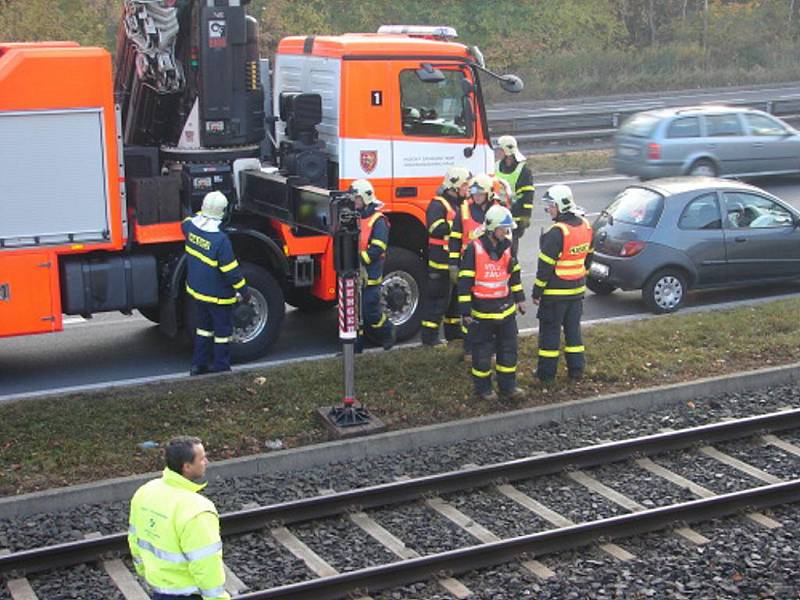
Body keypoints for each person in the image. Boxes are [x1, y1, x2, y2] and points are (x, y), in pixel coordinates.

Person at [128, 436, 229, 600]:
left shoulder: (145, 492)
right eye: (202, 458)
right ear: (187, 467)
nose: (207, 462)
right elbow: (205, 563)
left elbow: (135, 540)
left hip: (159, 590)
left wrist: (144, 571)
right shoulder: (197, 509)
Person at [458, 205, 526, 402]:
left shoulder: (508, 247)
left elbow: (514, 276)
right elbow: (464, 284)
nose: (506, 233)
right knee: (482, 353)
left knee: (508, 351)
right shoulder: (474, 249)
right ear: (492, 228)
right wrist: (465, 312)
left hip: (506, 311)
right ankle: (483, 390)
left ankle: (508, 386)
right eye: (503, 229)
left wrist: (520, 299)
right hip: (482, 313)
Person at [183, 191, 250, 376]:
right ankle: (222, 367)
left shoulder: (190, 228)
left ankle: (198, 365)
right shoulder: (221, 240)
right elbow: (231, 272)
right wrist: (244, 292)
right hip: (219, 297)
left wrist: (201, 214)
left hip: (198, 292)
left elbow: (188, 219)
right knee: (222, 333)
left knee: (203, 329)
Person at [532, 184, 594, 382]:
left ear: (560, 205)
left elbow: (545, 268)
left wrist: (536, 292)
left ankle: (546, 375)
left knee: (549, 335)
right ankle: (576, 370)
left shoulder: (556, 232)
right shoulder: (586, 226)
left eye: (551, 205)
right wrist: (580, 276)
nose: (548, 209)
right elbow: (588, 259)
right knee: (573, 333)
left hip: (554, 295)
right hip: (576, 292)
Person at [420, 165, 471, 346]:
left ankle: (454, 334)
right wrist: (457, 226)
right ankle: (429, 340)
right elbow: (434, 228)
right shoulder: (438, 204)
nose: (468, 189)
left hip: (455, 263)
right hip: (440, 265)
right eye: (465, 185)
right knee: (438, 303)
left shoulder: (462, 205)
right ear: (454, 186)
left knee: (454, 304)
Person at [448, 173, 496, 358]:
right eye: (474, 193)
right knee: (468, 308)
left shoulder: (497, 211)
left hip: (490, 267)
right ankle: (469, 348)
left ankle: (490, 346)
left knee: (489, 307)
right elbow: (455, 238)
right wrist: (453, 264)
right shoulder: (464, 211)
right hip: (469, 265)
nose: (476, 196)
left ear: (489, 194)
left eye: (480, 193)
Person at [352, 178, 395, 351]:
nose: (354, 202)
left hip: (371, 272)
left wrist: (361, 260)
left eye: (356, 198)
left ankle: (387, 330)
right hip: (356, 270)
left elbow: (378, 249)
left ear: (365, 198)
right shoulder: (354, 217)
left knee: (370, 309)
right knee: (355, 312)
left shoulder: (378, 221)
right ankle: (357, 346)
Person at [495, 135, 535, 247]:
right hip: (497, 213)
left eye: (500, 150)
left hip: (514, 215)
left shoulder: (524, 170)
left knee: (511, 248)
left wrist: (525, 216)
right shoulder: (496, 166)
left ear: (507, 151)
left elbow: (528, 196)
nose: (497, 152)